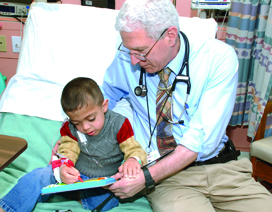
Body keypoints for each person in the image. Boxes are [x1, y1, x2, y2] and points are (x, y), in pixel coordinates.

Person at [101, 0, 272, 211]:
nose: (134, 60)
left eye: (141, 51)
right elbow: (102, 99)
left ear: (170, 36)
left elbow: (200, 140)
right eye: (129, 50)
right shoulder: (127, 58)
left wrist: (144, 178)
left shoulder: (217, 58)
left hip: (222, 168)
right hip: (167, 178)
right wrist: (69, 137)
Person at [0, 77, 147, 212]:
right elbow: (68, 150)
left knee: (110, 199)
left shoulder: (119, 124)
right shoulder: (69, 128)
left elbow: (134, 149)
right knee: (39, 175)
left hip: (100, 184)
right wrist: (64, 167)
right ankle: (7, 208)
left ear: (104, 106)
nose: (85, 127)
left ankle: (75, 196)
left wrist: (134, 160)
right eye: (77, 123)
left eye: (91, 119)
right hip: (74, 176)